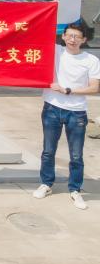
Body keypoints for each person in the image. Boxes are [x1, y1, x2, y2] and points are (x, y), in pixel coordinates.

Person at [34, 21, 100, 210]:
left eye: (77, 37)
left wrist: (68, 90)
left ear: (84, 40)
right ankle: (46, 184)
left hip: (77, 112)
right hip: (52, 108)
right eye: (69, 35)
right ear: (63, 36)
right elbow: (37, 33)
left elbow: (94, 88)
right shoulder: (55, 51)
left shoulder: (91, 60)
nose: (72, 39)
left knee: (76, 155)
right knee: (48, 151)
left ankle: (75, 189)